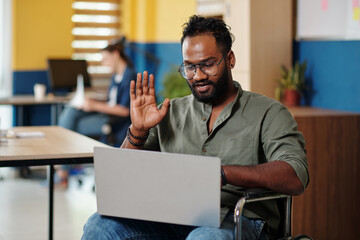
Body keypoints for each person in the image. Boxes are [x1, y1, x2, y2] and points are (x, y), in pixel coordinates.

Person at [81, 15, 309, 240]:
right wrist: (138, 132)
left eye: (208, 65)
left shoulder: (269, 112)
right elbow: (124, 178)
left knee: (205, 237)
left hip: (238, 218)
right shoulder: (169, 112)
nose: (198, 76)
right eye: (189, 67)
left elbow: (295, 175)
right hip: (173, 216)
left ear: (230, 59)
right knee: (99, 225)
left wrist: (223, 173)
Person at [57, 37, 137, 187]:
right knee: (71, 112)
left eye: (105, 59)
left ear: (115, 55)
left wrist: (94, 105)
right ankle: (63, 172)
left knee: (71, 127)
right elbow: (112, 102)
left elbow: (124, 110)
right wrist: (92, 101)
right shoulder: (116, 76)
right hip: (108, 114)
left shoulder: (129, 76)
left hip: (117, 122)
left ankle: (62, 173)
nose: (103, 63)